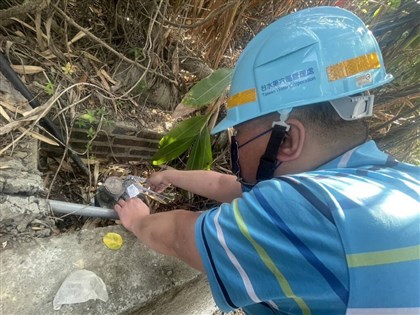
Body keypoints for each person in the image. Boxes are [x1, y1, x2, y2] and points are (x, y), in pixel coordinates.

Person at [114, 6, 420, 315]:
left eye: (240, 134)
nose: (236, 144)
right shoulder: (395, 182)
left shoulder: (300, 210)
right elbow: (227, 185)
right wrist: (172, 175)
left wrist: (138, 220)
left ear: (286, 139)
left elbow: (181, 236)